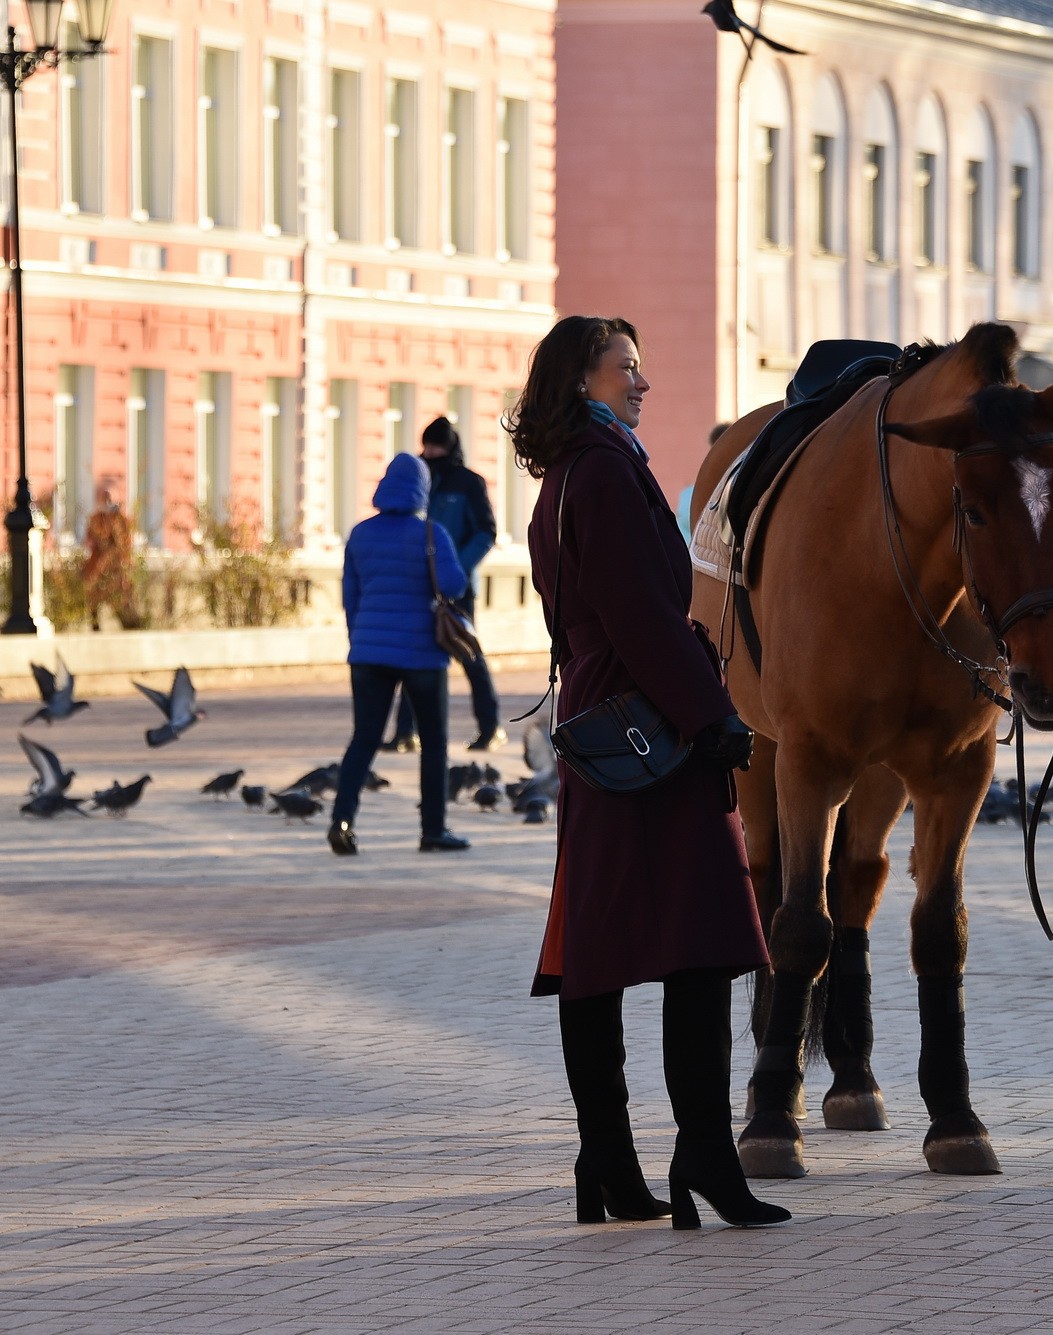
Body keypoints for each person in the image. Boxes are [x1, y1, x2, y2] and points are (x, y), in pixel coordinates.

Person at [512, 314, 788, 1230]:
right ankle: (702, 1152)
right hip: (652, 735)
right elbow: (640, 616)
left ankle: (610, 1161)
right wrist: (717, 720)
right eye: (625, 367)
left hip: (605, 730)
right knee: (702, 942)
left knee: (596, 951)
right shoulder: (604, 471)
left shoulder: (565, 475)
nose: (642, 382)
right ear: (582, 379)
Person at [328, 452, 472, 856]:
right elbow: (454, 584)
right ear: (422, 490)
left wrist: (361, 639)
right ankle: (433, 830)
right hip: (422, 653)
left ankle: (341, 820)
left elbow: (350, 599)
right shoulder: (431, 534)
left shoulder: (360, 534)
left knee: (364, 739)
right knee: (434, 741)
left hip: (368, 652)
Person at [387, 417, 502, 753]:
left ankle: (490, 728)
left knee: (469, 653)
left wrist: (456, 569)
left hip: (457, 587)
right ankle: (406, 733)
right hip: (421, 585)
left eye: (436, 445)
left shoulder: (469, 483)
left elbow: (485, 532)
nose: (429, 451)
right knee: (414, 655)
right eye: (426, 445)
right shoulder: (420, 479)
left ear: (450, 446)